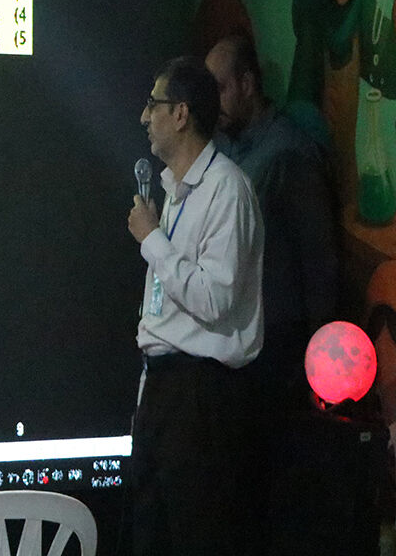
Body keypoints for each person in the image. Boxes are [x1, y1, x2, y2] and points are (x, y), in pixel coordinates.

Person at [127, 56, 265, 555]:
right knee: (149, 537)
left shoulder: (226, 188)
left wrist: (153, 241)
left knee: (197, 538)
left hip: (202, 397)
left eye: (154, 104)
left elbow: (215, 298)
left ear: (181, 113)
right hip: (165, 390)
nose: (144, 117)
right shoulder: (174, 191)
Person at [207, 33, 339, 406]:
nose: (213, 103)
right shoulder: (226, 145)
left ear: (247, 84)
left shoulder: (287, 153)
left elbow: (319, 260)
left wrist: (319, 361)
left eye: (220, 89)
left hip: (277, 342)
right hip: (237, 337)